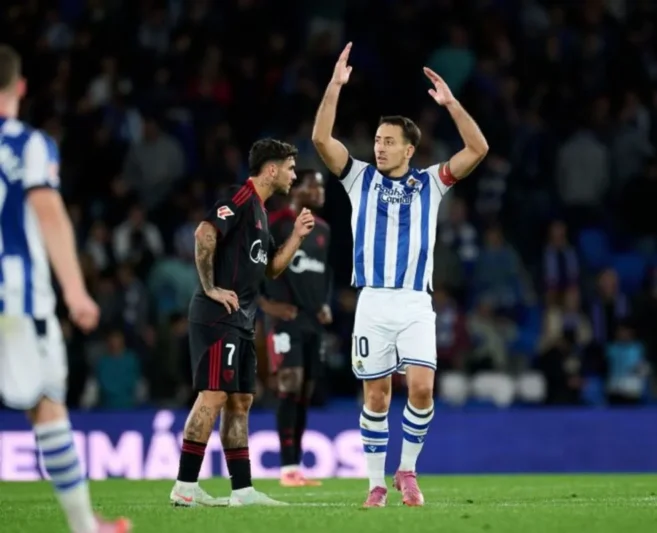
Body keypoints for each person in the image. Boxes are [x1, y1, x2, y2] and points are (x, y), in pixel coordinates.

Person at [311, 42, 489, 507]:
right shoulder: (359, 178)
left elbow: (479, 148)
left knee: (423, 387)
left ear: (410, 148)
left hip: (414, 302)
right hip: (372, 301)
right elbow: (320, 141)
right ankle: (374, 484)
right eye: (376, 140)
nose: (380, 147)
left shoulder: (431, 182)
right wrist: (334, 87)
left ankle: (406, 470)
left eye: (389, 141)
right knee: (376, 396)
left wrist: (451, 105)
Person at [0, 45, 131, 532]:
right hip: (16, 298)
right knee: (46, 404)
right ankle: (84, 527)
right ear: (20, 87)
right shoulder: (27, 144)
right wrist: (76, 293)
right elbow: (48, 211)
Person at [169, 139, 316, 507]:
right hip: (218, 317)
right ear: (271, 169)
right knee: (215, 395)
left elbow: (271, 269)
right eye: (290, 168)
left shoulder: (261, 212)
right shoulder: (239, 198)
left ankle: (242, 490)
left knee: (240, 401)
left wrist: (296, 237)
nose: (294, 175)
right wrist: (211, 288)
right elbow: (204, 234)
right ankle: (185, 487)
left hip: (243, 321)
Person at [260, 169, 332, 487]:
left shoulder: (324, 230)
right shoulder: (276, 224)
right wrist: (266, 305)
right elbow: (255, 269)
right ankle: (287, 469)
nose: (319, 190)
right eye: (312, 185)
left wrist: (325, 303)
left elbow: (323, 274)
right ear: (296, 190)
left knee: (305, 392)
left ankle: (296, 467)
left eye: (321, 186)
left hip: (313, 322)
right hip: (285, 318)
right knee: (290, 383)